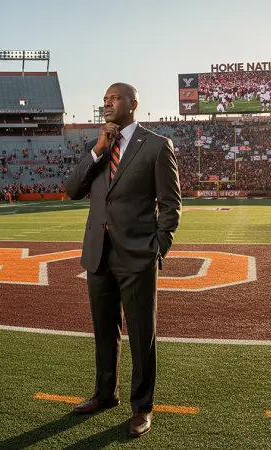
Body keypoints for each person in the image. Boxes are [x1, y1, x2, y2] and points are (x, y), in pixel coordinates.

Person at [64, 82, 181, 438]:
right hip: (98, 253)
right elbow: (72, 190)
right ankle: (104, 393)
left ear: (133, 103)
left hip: (137, 254)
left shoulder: (157, 146)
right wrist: (99, 149)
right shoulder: (94, 146)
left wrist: (157, 247)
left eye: (114, 98)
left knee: (142, 334)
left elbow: (171, 204)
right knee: (104, 331)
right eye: (104, 100)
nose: (107, 104)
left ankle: (142, 407)